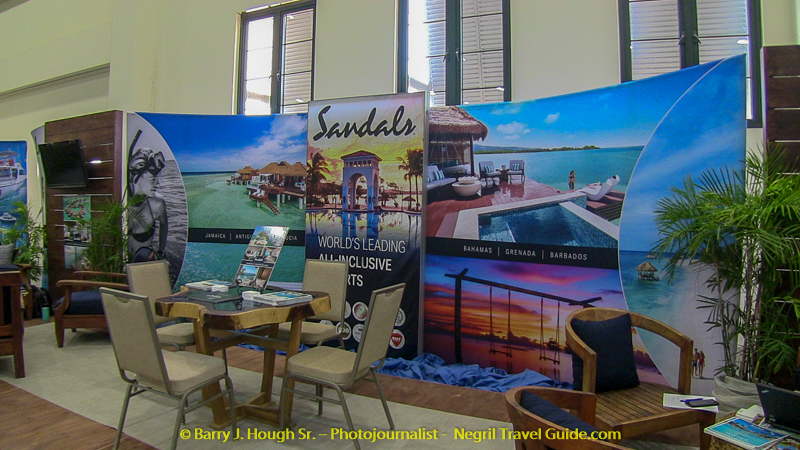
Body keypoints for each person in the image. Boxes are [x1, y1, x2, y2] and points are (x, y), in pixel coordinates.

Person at [128, 147, 168, 262]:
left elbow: (164, 226)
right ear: (136, 177)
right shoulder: (122, 202)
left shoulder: (157, 203)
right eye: (153, 179)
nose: (158, 183)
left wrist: (161, 250)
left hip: (144, 261)